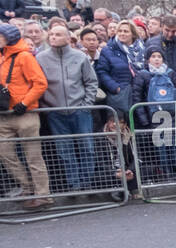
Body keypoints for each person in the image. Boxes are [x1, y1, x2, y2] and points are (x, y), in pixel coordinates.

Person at [36, 23, 100, 195]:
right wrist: (45, 107)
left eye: (58, 34)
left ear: (67, 38)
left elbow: (91, 82)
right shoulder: (40, 58)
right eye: (51, 34)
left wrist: (86, 105)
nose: (53, 37)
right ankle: (74, 185)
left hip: (79, 109)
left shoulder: (80, 57)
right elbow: (38, 84)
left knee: (87, 147)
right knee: (64, 151)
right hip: (55, 112)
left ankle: (87, 184)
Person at [0, 23, 52, 209]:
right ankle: (27, 186)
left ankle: (43, 195)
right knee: (4, 152)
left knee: (33, 157)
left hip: (25, 113)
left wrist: (24, 103)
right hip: (4, 114)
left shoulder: (24, 57)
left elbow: (40, 83)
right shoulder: (2, 56)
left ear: (8, 38)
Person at [132, 49, 176, 180]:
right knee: (160, 146)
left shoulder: (170, 73)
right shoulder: (143, 75)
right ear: (148, 59)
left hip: (172, 114)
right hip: (154, 116)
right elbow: (137, 97)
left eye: (159, 56)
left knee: (175, 144)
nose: (156, 59)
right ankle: (166, 173)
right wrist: (144, 120)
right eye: (153, 56)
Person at [96, 20, 147, 120]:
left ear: (133, 34)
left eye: (126, 31)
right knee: (121, 127)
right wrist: (115, 87)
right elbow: (102, 72)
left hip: (140, 92)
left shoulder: (142, 49)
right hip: (120, 95)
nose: (122, 34)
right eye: (120, 31)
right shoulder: (108, 50)